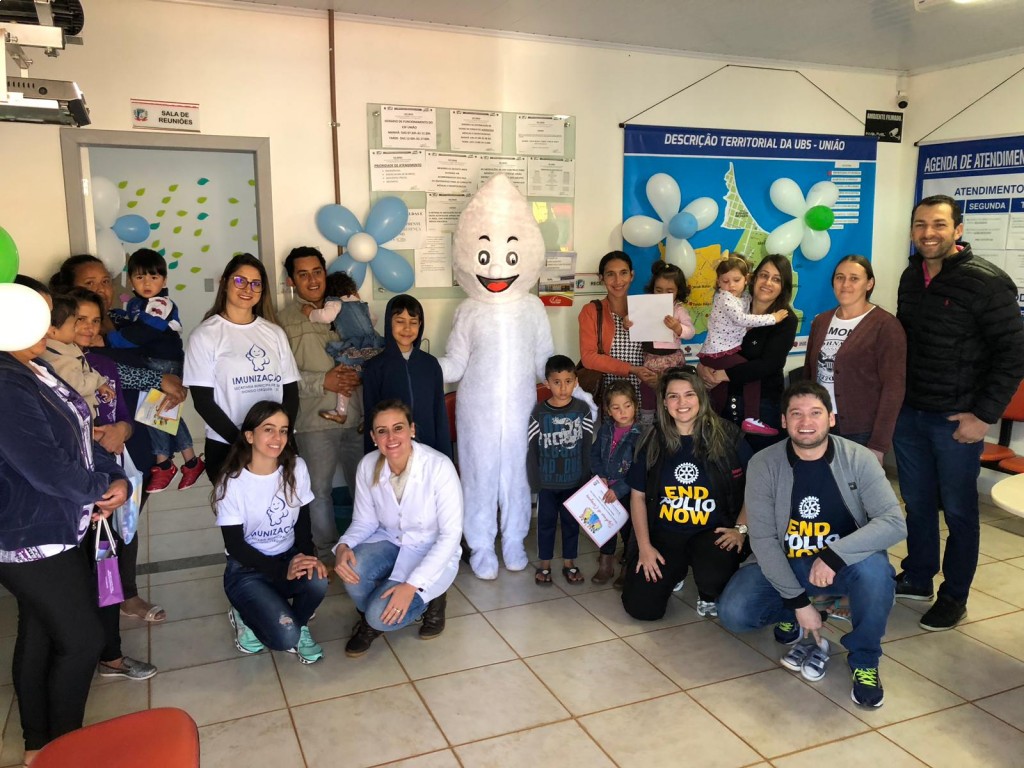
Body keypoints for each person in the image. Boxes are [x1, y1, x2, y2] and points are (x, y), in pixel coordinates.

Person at [0, 277, 130, 763]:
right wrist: (100, 489)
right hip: (29, 534)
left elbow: (79, 439)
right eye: (39, 316)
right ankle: (64, 750)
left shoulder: (32, 367)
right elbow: (48, 467)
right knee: (83, 640)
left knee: (40, 632)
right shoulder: (5, 381)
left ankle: (39, 746)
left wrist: (113, 476)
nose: (51, 325)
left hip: (58, 525)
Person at [717, 381, 907, 708]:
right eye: (796, 414)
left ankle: (864, 660)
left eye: (816, 413)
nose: (806, 422)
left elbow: (893, 522)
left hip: (844, 564)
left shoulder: (859, 458)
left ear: (831, 418)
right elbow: (762, 540)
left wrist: (834, 556)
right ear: (784, 420)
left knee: (877, 576)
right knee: (734, 613)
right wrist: (797, 602)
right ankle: (806, 608)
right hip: (788, 561)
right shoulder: (763, 464)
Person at [893, 195, 1024, 631]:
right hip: (911, 414)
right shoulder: (911, 276)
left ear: (958, 230)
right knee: (917, 504)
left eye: (938, 224)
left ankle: (954, 596)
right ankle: (917, 576)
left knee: (960, 511)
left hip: (956, 421)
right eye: (920, 224)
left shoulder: (987, 282)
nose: (928, 233)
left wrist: (982, 416)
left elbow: (1013, 355)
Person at [54, 255, 178, 623]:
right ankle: (101, 600)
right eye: (89, 283)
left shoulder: (126, 320)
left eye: (105, 281)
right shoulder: (69, 340)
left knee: (128, 520)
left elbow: (152, 360)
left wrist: (166, 390)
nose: (101, 289)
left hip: (136, 429)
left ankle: (125, 592)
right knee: (96, 525)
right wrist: (156, 379)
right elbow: (112, 371)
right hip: (92, 445)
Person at [334, 399, 462, 656]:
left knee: (378, 615)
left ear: (412, 429)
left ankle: (430, 601)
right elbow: (365, 521)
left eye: (398, 428)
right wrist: (343, 546)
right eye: (382, 431)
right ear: (373, 437)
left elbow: (450, 536)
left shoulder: (438, 467)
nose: (391, 437)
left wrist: (412, 585)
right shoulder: (368, 465)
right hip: (391, 539)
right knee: (351, 569)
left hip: (432, 549)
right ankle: (373, 620)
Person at [622, 367, 750, 621]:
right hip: (665, 534)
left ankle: (709, 593)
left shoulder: (728, 436)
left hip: (712, 534)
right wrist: (645, 548)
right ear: (664, 402)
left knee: (715, 569)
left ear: (701, 397)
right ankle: (675, 572)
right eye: (673, 396)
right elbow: (637, 497)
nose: (682, 403)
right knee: (641, 608)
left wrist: (741, 528)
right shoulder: (651, 440)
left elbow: (757, 486)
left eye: (689, 394)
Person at [213, 401, 328, 663]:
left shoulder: (296, 467)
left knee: (318, 579)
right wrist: (280, 571)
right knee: (284, 638)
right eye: (269, 429)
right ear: (249, 436)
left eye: (283, 430)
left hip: (287, 556)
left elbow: (303, 522)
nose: (278, 438)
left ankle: (299, 624)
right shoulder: (231, 483)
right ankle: (244, 614)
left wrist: (307, 558)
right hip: (247, 569)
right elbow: (236, 546)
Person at [184, 253, 300, 483]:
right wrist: (244, 444)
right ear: (225, 283)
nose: (248, 288)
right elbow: (203, 401)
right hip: (228, 447)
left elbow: (290, 392)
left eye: (256, 283)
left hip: (277, 446)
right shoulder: (204, 335)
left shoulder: (274, 333)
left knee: (286, 505)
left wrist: (280, 436)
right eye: (240, 280)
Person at [278, 246, 364, 556]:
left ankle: (362, 549)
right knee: (319, 492)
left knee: (366, 489)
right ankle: (326, 554)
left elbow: (368, 348)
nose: (312, 280)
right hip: (314, 421)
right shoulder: (283, 322)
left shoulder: (348, 308)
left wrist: (360, 374)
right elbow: (281, 376)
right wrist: (322, 381)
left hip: (358, 418)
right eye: (303, 275)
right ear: (291, 281)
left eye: (317, 272)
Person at [107, 248, 205, 492]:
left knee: (156, 413)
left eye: (153, 277)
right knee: (164, 412)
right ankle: (190, 461)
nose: (147, 283)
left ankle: (165, 464)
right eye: (140, 277)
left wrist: (111, 339)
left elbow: (143, 332)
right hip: (154, 362)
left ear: (164, 280)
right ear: (131, 281)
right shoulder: (137, 304)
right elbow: (133, 321)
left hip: (165, 363)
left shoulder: (160, 304)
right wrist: (116, 317)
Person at [804, 254, 906, 462]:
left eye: (854, 278)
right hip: (820, 423)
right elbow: (809, 374)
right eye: (840, 277)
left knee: (854, 482)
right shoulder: (821, 322)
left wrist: (879, 444)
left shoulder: (885, 326)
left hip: (860, 430)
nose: (845, 285)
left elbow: (893, 388)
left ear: (869, 283)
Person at [697, 254, 798, 452]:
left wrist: (721, 374)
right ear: (753, 278)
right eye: (764, 275)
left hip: (762, 408)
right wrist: (702, 368)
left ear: (783, 286)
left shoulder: (785, 319)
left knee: (762, 464)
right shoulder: (736, 304)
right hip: (724, 404)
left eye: (776, 279)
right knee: (725, 463)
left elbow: (769, 365)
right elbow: (716, 342)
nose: (768, 283)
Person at [528, 355, 595, 586]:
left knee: (570, 524)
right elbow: (531, 449)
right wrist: (535, 481)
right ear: (547, 383)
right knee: (545, 524)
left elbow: (587, 447)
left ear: (576, 381)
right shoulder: (539, 412)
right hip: (547, 484)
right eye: (557, 382)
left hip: (574, 482)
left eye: (568, 381)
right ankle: (544, 564)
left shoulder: (582, 410)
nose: (563, 388)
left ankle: (569, 563)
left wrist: (585, 479)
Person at [362, 293, 451, 458]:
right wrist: (372, 460)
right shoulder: (375, 367)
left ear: (420, 325)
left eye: (413, 322)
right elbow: (371, 417)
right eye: (400, 321)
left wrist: (445, 456)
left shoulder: (430, 365)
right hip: (391, 452)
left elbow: (439, 414)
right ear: (389, 323)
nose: (407, 328)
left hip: (428, 451)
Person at [302, 270, 384, 423]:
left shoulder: (335, 302)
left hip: (353, 348)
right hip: (372, 347)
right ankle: (366, 416)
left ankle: (341, 411)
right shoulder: (361, 304)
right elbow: (373, 320)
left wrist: (311, 313)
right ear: (352, 289)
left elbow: (326, 316)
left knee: (345, 377)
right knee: (364, 380)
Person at [578, 251, 658, 406]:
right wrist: (632, 369)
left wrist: (658, 376)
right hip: (609, 397)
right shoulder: (591, 311)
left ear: (632, 275)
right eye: (610, 274)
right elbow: (589, 357)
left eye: (623, 273)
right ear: (601, 278)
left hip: (646, 395)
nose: (618, 280)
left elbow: (660, 352)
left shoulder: (646, 308)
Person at [589, 380, 642, 585]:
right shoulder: (606, 430)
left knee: (628, 530)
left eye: (627, 406)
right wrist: (600, 476)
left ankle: (628, 565)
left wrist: (619, 489)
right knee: (606, 527)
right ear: (608, 410)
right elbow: (594, 455)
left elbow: (640, 469)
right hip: (605, 490)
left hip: (628, 492)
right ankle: (606, 564)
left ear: (635, 405)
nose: (623, 412)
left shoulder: (640, 434)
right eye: (616, 408)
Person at [40, 294, 115, 418]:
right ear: (53, 331)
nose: (89, 327)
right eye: (80, 320)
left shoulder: (69, 348)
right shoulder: (57, 357)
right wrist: (96, 379)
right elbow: (77, 386)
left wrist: (100, 382)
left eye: (96, 321)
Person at [636, 259, 696, 374]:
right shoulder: (646, 306)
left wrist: (678, 328)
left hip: (671, 359)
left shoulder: (678, 310)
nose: (663, 295)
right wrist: (628, 323)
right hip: (649, 357)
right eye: (658, 290)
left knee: (670, 383)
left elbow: (691, 332)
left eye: (669, 292)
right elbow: (635, 325)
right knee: (649, 383)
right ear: (653, 288)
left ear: (678, 291)